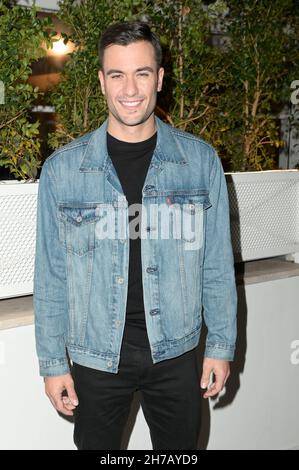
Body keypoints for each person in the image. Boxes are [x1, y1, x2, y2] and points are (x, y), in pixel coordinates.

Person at [33, 20, 237, 450]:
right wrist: (53, 363)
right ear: (102, 81)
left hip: (177, 353)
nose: (130, 88)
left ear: (159, 79)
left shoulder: (200, 163)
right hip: (95, 357)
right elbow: (51, 277)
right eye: (117, 74)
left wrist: (220, 344)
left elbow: (217, 263)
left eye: (142, 73)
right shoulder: (62, 172)